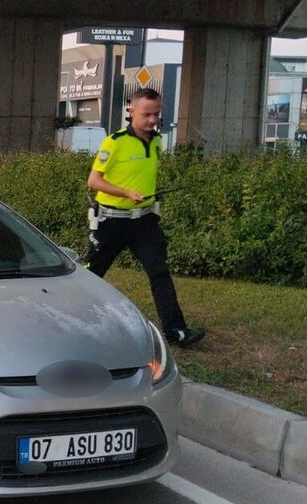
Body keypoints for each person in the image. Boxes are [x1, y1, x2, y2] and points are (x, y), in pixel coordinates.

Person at [85, 87, 204, 347]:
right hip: (111, 221)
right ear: (131, 111)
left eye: (156, 114)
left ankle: (177, 332)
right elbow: (93, 180)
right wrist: (125, 192)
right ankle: (74, 325)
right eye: (146, 114)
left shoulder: (158, 141)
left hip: (144, 221)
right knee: (91, 275)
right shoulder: (114, 142)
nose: (152, 119)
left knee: (159, 272)